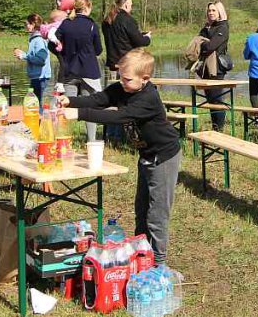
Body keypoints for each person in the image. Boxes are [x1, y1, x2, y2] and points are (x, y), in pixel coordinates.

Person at [60, 49, 181, 265]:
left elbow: (119, 116)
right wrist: (70, 101)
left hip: (163, 157)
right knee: (141, 210)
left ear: (145, 79)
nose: (122, 82)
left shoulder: (148, 98)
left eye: (127, 79)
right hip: (146, 155)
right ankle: (141, 255)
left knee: (156, 215)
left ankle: (158, 263)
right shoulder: (122, 88)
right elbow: (99, 99)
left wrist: (79, 114)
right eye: (120, 76)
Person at [56, 0, 104, 142]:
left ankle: (64, 141)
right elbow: (98, 50)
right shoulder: (91, 25)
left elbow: (52, 42)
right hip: (89, 71)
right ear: (87, 8)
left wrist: (62, 54)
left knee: (67, 105)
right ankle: (91, 141)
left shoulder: (66, 23)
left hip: (70, 70)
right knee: (89, 107)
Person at [198, 1, 230, 131]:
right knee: (210, 100)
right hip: (205, 68)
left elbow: (210, 46)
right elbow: (198, 43)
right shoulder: (206, 28)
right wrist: (203, 43)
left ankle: (219, 130)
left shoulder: (223, 27)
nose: (211, 13)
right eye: (209, 11)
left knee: (217, 100)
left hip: (217, 69)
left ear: (219, 12)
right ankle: (214, 127)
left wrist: (203, 43)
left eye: (213, 10)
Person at [102, 0, 151, 75]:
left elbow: (120, 37)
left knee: (118, 83)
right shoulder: (127, 20)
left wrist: (140, 34)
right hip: (127, 62)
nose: (131, 7)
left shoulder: (107, 20)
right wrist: (147, 37)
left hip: (113, 63)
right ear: (126, 5)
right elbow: (139, 41)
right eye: (131, 5)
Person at [14, 13, 51, 101]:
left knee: (36, 104)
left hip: (40, 78)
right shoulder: (35, 39)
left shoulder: (38, 40)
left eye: (26, 24)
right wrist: (23, 54)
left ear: (33, 24)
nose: (25, 26)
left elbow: (41, 60)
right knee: (33, 103)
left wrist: (24, 56)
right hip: (37, 77)